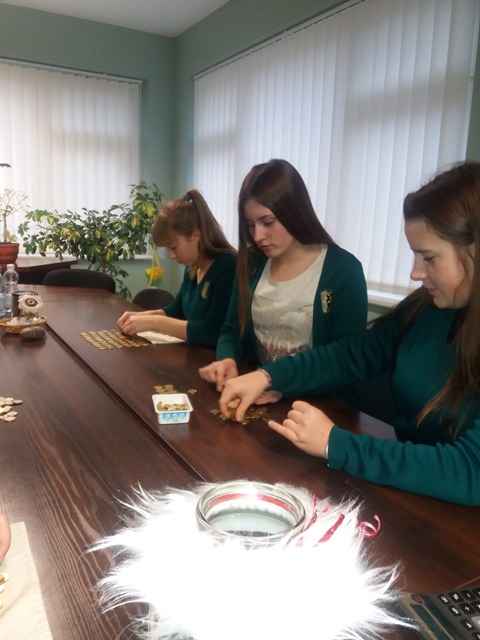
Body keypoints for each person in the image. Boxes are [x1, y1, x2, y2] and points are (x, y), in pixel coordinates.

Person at [217, 161, 480, 506]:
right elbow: (347, 355)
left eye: (429, 258)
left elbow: (469, 471)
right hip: (408, 490)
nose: (415, 273)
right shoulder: (426, 308)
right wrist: (268, 376)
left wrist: (335, 443)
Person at [199, 159, 368, 399]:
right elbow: (231, 329)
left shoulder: (343, 270)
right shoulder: (251, 264)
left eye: (267, 222)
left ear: (294, 212)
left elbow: (345, 360)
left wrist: (283, 387)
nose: (258, 236)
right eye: (250, 225)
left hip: (318, 405)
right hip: (259, 395)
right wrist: (227, 359)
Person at [118, 189, 236, 347]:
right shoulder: (192, 266)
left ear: (195, 235)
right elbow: (177, 310)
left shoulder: (228, 265)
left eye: (173, 247)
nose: (170, 256)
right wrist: (140, 317)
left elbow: (214, 332)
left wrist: (153, 322)